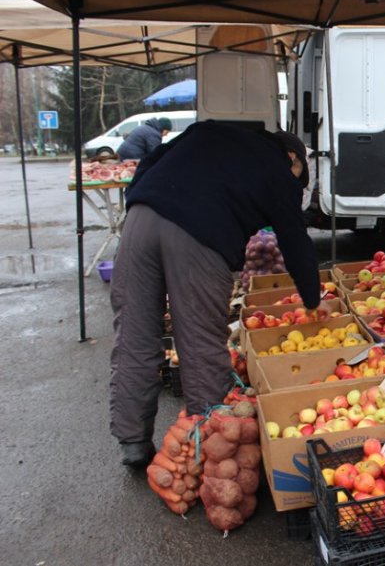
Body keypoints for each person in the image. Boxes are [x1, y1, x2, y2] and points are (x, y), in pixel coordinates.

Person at [110, 121, 321, 468]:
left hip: (140, 220)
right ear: (292, 157)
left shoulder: (209, 132)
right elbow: (295, 240)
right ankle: (207, 445)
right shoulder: (278, 168)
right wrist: (312, 299)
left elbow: (150, 161)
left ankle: (132, 442)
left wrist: (140, 199)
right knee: (200, 343)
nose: (296, 184)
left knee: (134, 333)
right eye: (299, 176)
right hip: (199, 238)